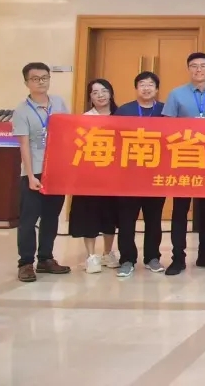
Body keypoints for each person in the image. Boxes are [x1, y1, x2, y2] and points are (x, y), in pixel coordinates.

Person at [161, 52, 205, 275]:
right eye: (194, 66)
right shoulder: (176, 94)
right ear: (188, 69)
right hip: (184, 158)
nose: (198, 70)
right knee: (180, 209)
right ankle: (177, 258)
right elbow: (167, 127)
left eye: (203, 66)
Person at [13, 62, 72, 282]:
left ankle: (46, 258)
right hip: (34, 171)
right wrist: (30, 176)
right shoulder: (22, 111)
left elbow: (68, 132)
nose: (41, 82)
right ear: (26, 82)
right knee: (28, 220)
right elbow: (24, 146)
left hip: (56, 169)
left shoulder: (58, 103)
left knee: (51, 217)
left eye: (45, 77)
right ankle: (26, 263)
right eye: (35, 79)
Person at [114, 71, 167, 277]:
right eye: (142, 84)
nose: (146, 88)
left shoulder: (165, 111)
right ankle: (127, 259)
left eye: (150, 84)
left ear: (157, 89)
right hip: (129, 176)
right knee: (127, 220)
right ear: (136, 88)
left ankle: (152, 257)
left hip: (156, 175)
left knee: (154, 219)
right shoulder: (124, 111)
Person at [68, 78, 121, 273]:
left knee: (110, 215)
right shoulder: (84, 118)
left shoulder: (121, 116)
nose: (100, 95)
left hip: (114, 176)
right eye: (95, 92)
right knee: (88, 214)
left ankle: (108, 252)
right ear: (90, 97)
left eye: (104, 90)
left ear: (111, 93)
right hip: (89, 176)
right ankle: (91, 256)